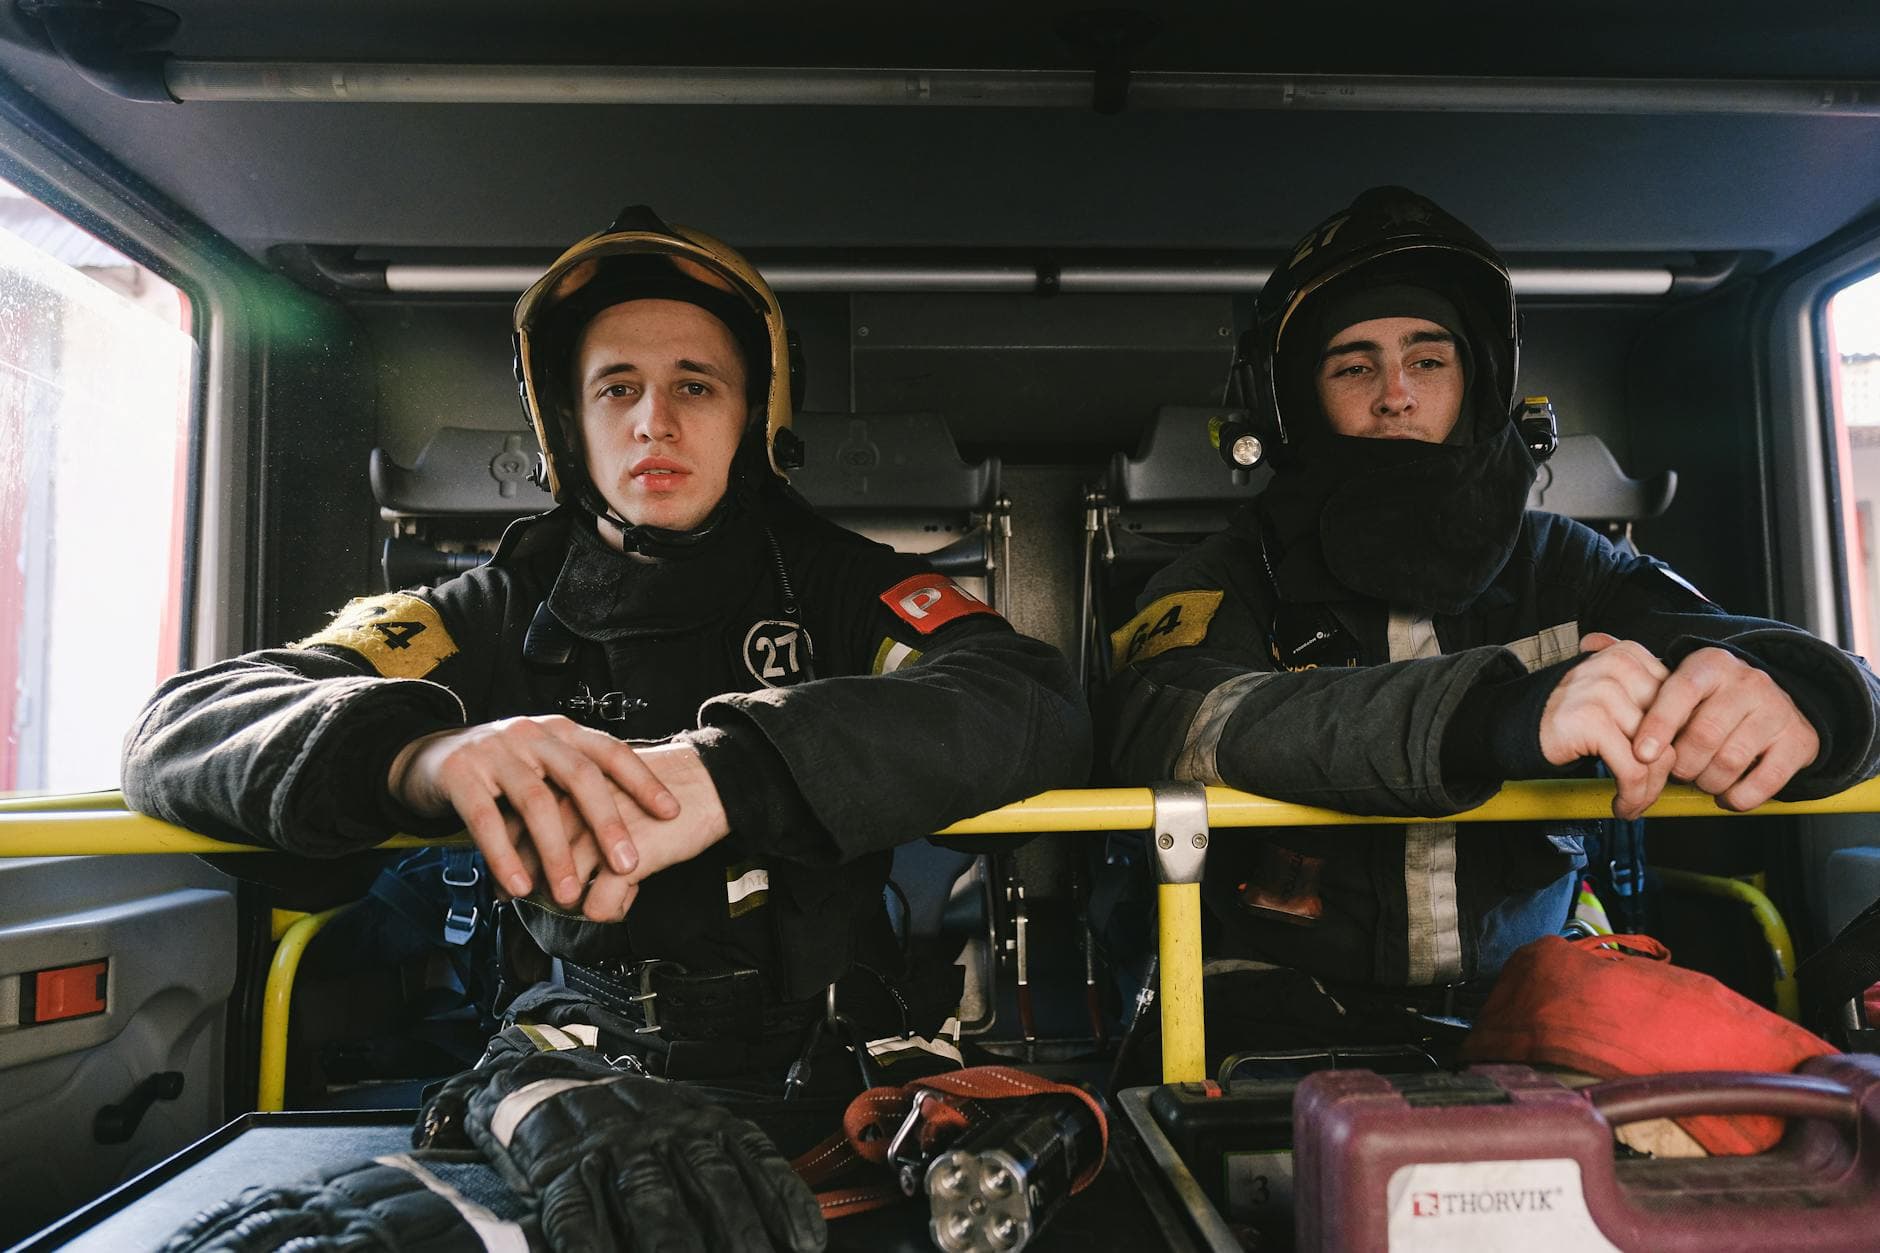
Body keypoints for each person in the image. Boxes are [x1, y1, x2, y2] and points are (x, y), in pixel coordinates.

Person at [122, 205, 1090, 1085]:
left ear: (754, 414)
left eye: (694, 385)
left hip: (836, 1061)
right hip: (569, 1063)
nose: (651, 420)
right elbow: (182, 726)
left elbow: (1027, 696)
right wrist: (417, 756)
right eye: (616, 386)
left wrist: (736, 770)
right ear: (570, 424)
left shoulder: (844, 586)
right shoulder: (487, 610)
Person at [1100, 185, 1880, 1047]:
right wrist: (1494, 713)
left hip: (1534, 1002)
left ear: (1478, 381)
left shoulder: (1570, 566)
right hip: (1274, 1010)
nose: (1396, 394)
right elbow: (1171, 722)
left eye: (1428, 360)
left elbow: (1744, 647)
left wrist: (1809, 694)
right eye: (1354, 365)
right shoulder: (1222, 579)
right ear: (1293, 400)